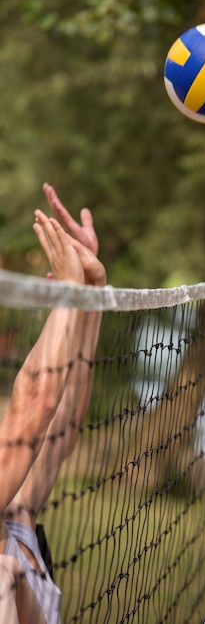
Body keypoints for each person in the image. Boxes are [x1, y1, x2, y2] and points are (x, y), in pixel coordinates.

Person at [0, 186, 105, 624]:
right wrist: (67, 292)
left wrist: (89, 294)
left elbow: (60, 424)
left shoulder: (14, 512)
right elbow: (35, 403)